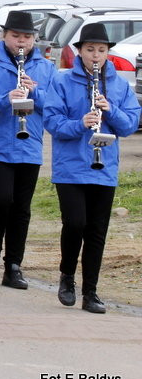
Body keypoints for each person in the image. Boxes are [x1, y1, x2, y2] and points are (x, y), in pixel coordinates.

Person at [43, 23, 140, 314]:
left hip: (104, 167)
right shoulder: (62, 82)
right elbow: (51, 121)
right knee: (75, 223)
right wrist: (78, 124)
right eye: (90, 50)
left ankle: (91, 291)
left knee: (97, 230)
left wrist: (111, 109)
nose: (96, 55)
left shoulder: (120, 86)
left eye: (101, 50)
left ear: (107, 53)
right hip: (70, 167)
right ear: (80, 52)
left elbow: (130, 125)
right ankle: (67, 276)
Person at [0, 11, 56, 289]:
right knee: (1, 199)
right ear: (4, 36)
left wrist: (36, 93)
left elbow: (56, 104)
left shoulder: (45, 67)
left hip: (29, 144)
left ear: (34, 40)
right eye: (15, 35)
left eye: (27, 37)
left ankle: (13, 266)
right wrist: (5, 99)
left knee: (21, 208)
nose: (21, 41)